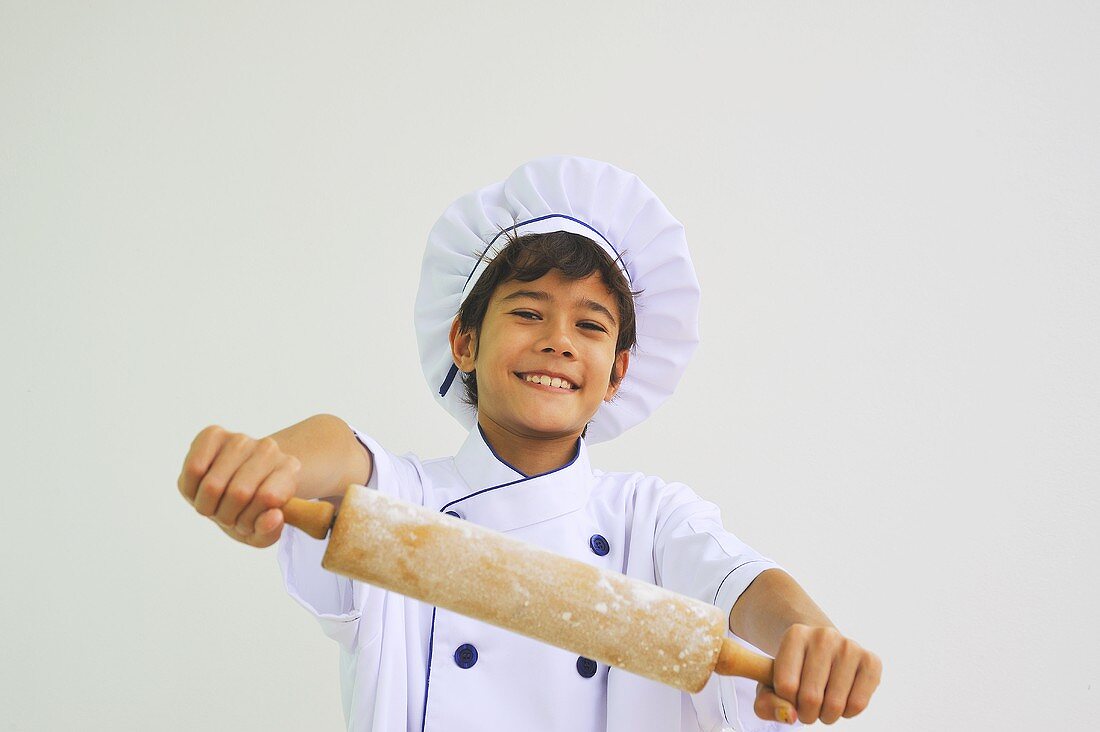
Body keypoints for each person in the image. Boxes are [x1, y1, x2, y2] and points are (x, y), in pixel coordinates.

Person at [177, 157, 881, 731]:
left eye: (591, 326)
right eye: (527, 312)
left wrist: (807, 638)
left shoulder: (648, 518)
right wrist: (272, 465)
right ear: (465, 341)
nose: (557, 341)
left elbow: (741, 584)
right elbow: (340, 456)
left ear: (618, 374)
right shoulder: (410, 504)